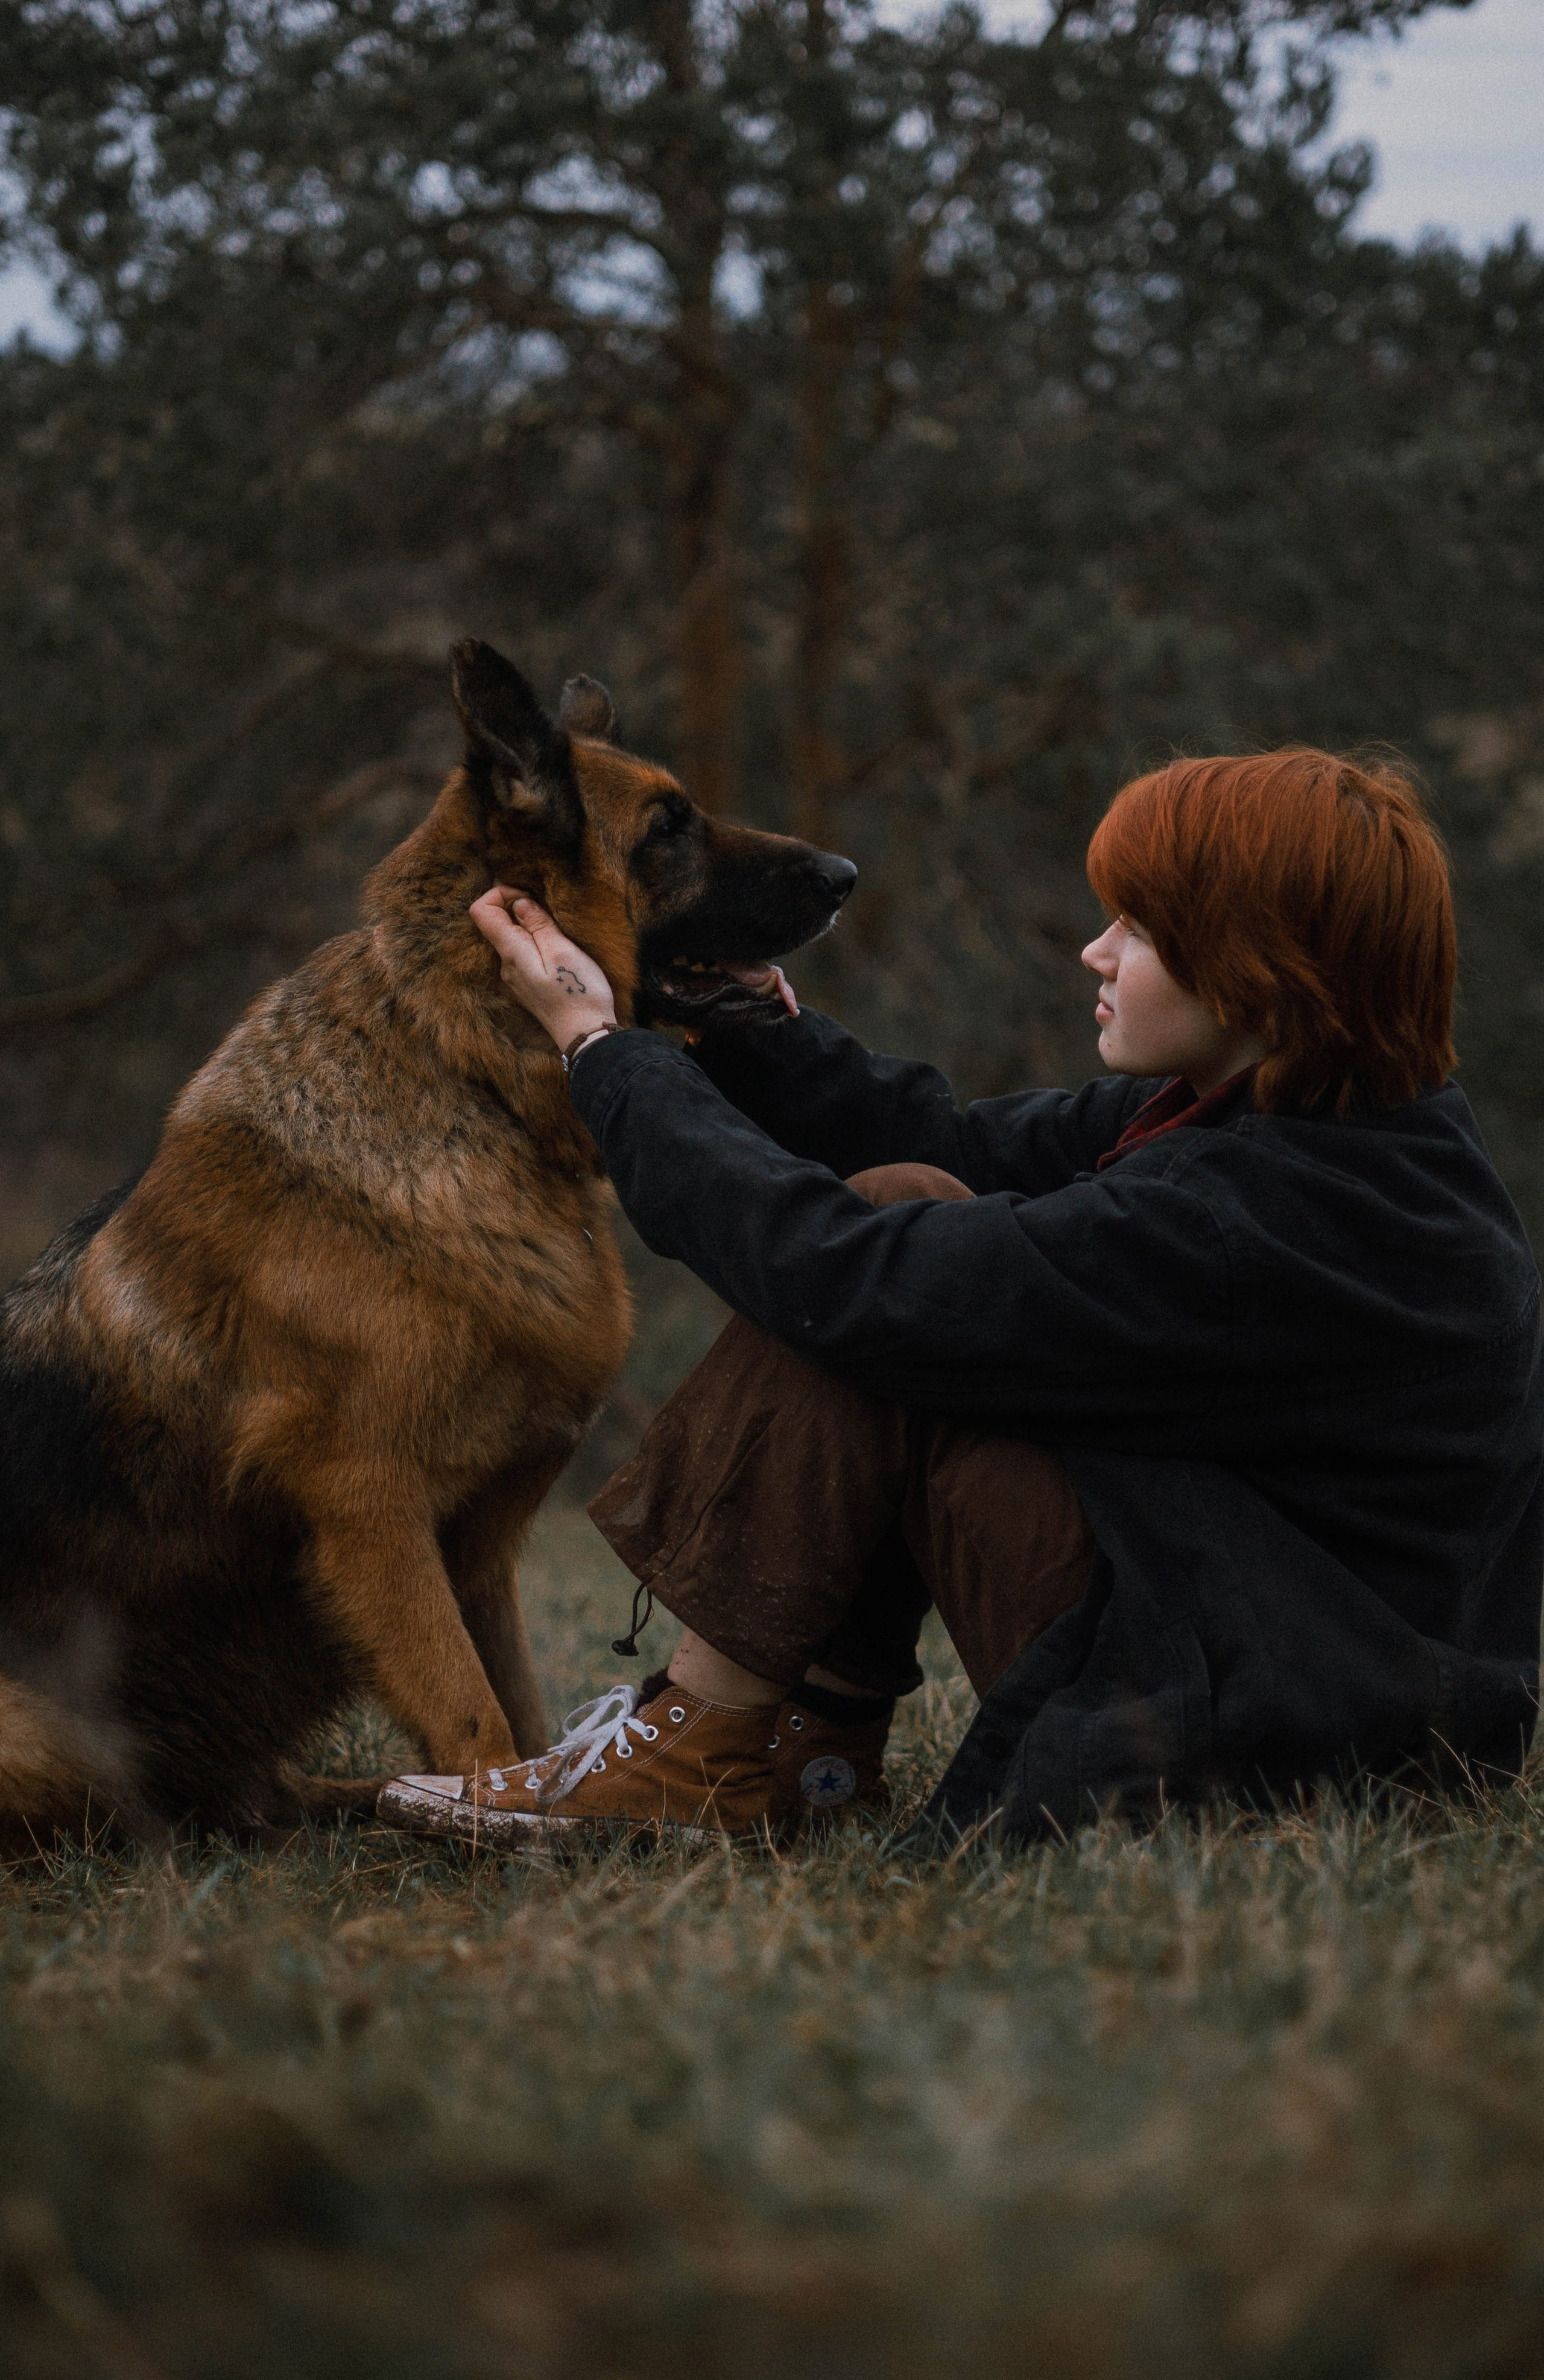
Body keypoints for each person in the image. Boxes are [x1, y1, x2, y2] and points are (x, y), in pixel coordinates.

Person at [387, 749, 1543, 1850]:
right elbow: (943, 1144)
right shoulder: (1307, 1119)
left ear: (1258, 969)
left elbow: (852, 1276)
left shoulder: (1264, 1216)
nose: (1094, 952)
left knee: (882, 1285)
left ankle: (699, 1747)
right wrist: (751, 1016)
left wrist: (601, 1049)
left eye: (1138, 929)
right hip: (1290, 1650)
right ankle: (804, 1741)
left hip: (1283, 1733)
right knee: (906, 1201)